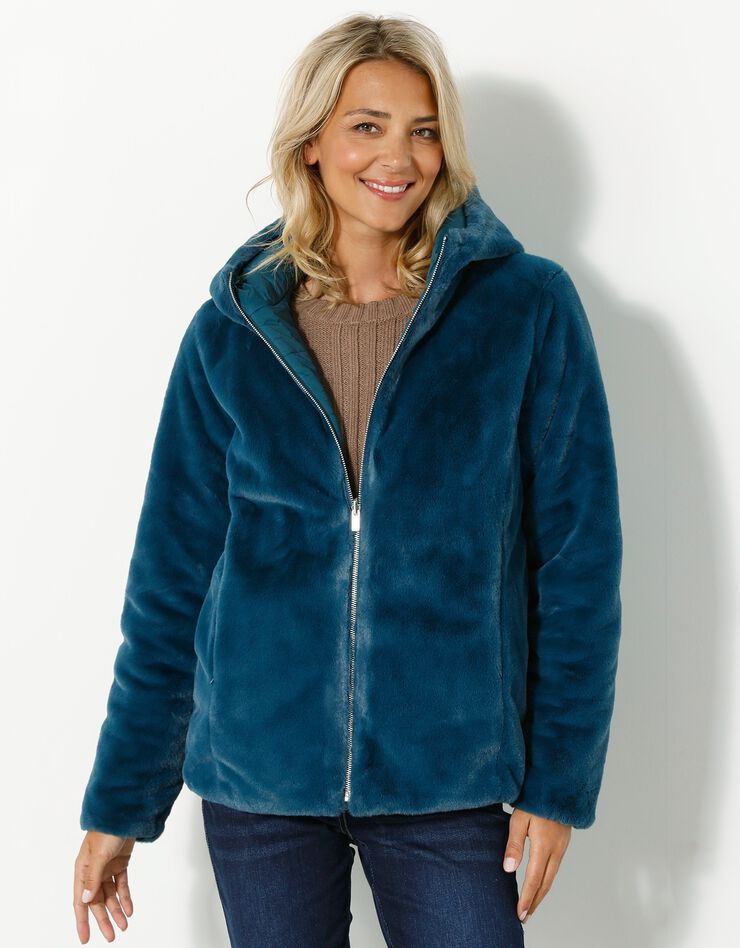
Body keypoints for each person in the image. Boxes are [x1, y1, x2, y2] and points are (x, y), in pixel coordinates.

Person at [73, 13, 623, 948]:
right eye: (367, 125)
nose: (398, 157)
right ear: (313, 142)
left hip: (449, 778)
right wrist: (121, 803)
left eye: (423, 129)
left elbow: (577, 565)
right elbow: (171, 583)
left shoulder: (525, 310)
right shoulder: (231, 332)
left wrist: (559, 783)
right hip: (261, 783)